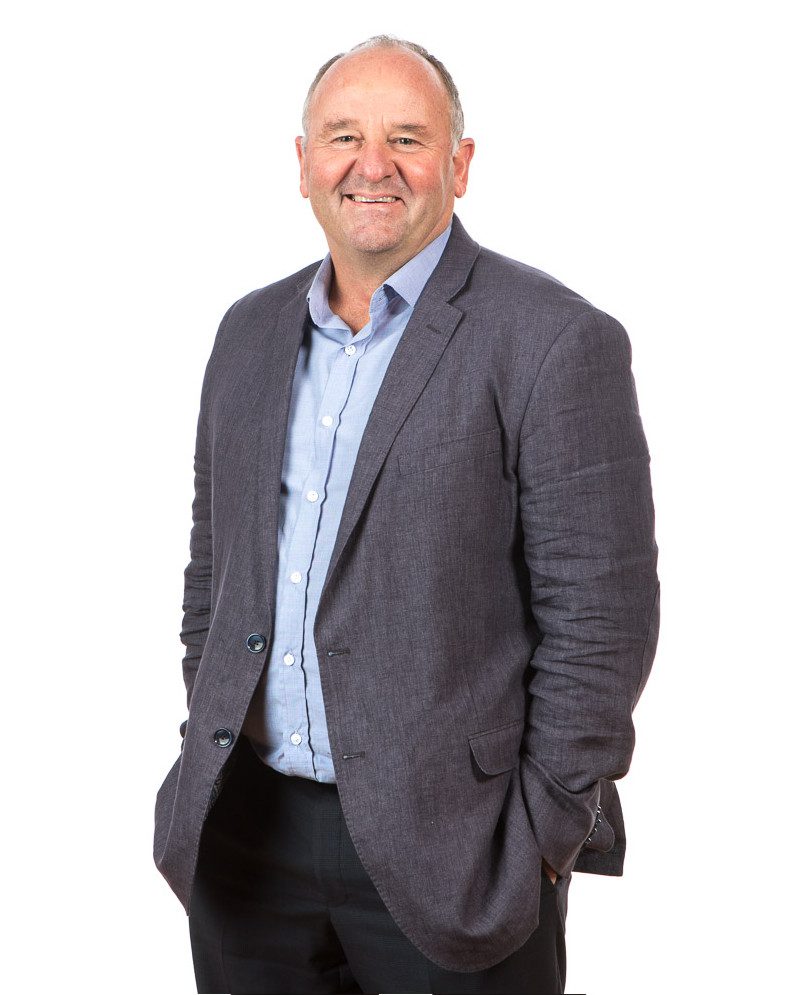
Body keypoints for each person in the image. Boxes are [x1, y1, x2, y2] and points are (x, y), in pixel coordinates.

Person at [153, 34, 660, 995]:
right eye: (343, 136)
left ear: (458, 165)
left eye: (407, 138)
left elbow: (602, 624)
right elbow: (212, 574)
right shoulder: (247, 333)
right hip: (247, 841)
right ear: (303, 162)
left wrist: (537, 839)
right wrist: (206, 722)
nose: (371, 165)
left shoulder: (553, 340)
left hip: (459, 850)